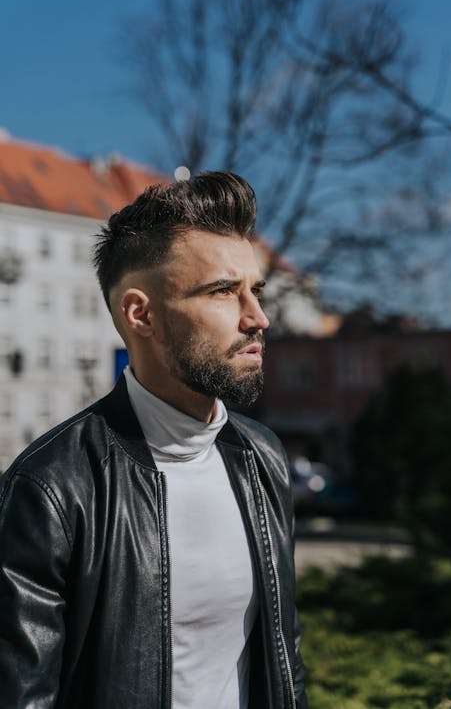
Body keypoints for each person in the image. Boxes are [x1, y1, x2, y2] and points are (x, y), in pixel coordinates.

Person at [0, 171, 308, 709]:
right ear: (141, 314)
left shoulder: (262, 458)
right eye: (222, 292)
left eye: (254, 291)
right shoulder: (50, 488)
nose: (257, 317)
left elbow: (285, 659)